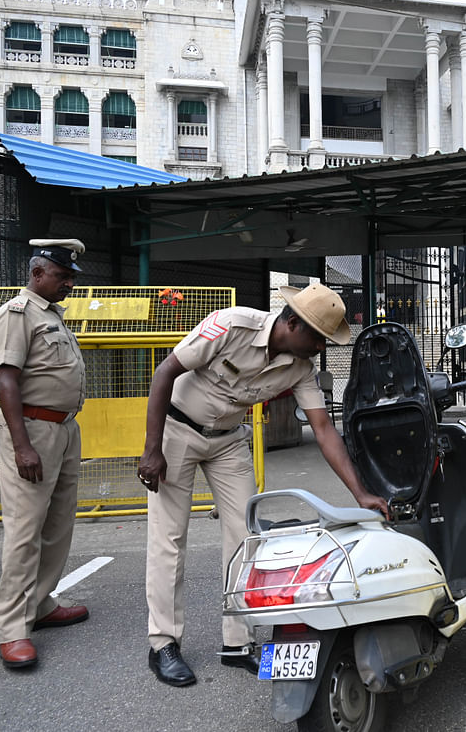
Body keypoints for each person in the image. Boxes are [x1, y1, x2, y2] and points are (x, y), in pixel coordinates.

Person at [138, 283, 388, 687]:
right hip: (177, 430)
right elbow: (166, 371)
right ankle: (163, 644)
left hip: (228, 440)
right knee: (169, 538)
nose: (322, 347)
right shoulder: (230, 325)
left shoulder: (302, 366)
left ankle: (237, 644)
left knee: (246, 538)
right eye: (319, 338)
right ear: (292, 323)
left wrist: (360, 493)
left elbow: (323, 429)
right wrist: (152, 449)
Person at [0, 239, 91, 670]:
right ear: (37, 273)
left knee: (57, 524)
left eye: (70, 277)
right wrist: (22, 445)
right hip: (30, 430)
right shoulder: (15, 315)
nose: (68, 283)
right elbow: (6, 381)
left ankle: (41, 603)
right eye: (62, 276)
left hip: (62, 429)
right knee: (25, 529)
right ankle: (12, 628)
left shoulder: (51, 315)